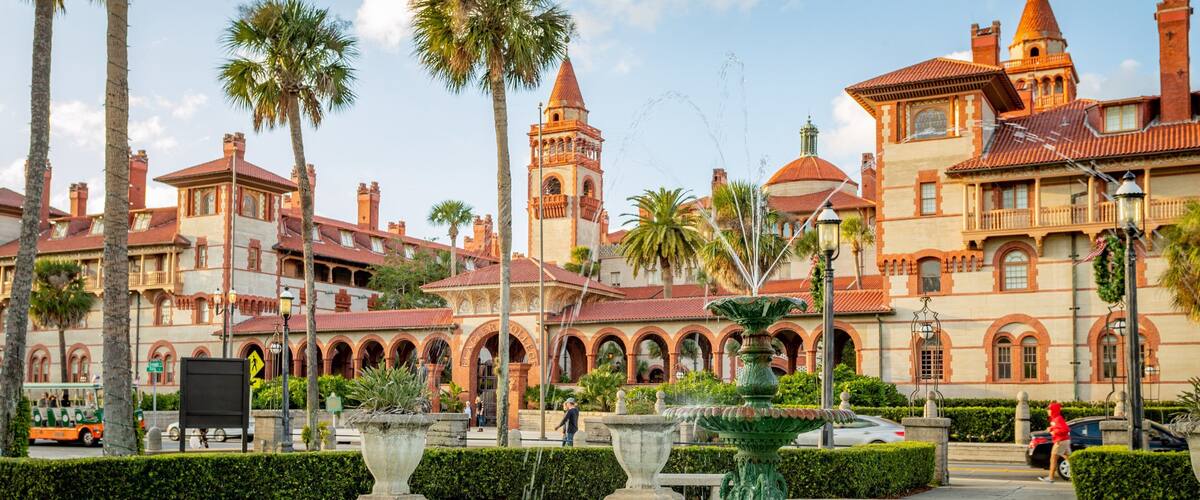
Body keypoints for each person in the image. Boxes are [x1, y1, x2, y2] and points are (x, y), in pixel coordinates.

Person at [1039, 402, 1071, 482]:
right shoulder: (1055, 419)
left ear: (1054, 410)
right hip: (1064, 440)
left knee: (1053, 459)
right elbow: (1058, 427)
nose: (1048, 411)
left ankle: (1051, 478)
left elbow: (1066, 429)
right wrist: (1051, 428)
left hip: (1060, 441)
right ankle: (1078, 474)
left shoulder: (1058, 419)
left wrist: (1054, 432)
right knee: (1069, 459)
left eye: (1049, 409)